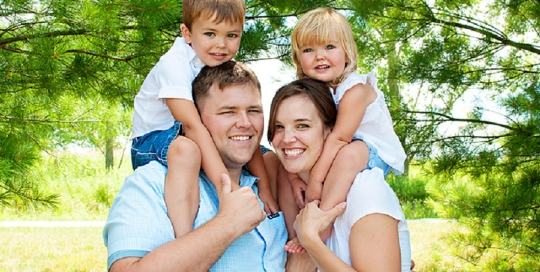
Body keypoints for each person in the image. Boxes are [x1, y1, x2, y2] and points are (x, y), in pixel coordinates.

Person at [104, 61, 287, 272]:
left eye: (254, 110)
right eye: (228, 112)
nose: (245, 123)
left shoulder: (271, 183)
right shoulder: (153, 183)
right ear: (196, 119)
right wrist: (227, 225)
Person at [129, 0, 279, 239]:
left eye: (231, 35)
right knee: (187, 151)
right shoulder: (174, 64)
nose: (221, 44)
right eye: (210, 33)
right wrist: (226, 190)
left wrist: (266, 189)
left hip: (188, 132)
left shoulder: (212, 62)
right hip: (150, 141)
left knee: (262, 151)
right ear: (187, 33)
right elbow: (192, 126)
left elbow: (246, 130)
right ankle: (185, 238)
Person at [282, 7, 407, 252]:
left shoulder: (355, 89)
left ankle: (322, 224)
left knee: (348, 154)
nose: (319, 56)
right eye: (309, 50)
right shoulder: (312, 91)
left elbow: (339, 138)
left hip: (372, 150)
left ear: (347, 52)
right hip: (341, 149)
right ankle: (293, 228)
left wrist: (316, 182)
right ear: (299, 59)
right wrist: (293, 176)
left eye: (329, 47)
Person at [268, 78, 411, 271]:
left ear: (330, 130)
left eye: (302, 126)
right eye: (279, 127)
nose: (287, 138)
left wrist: (311, 241)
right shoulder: (290, 194)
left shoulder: (365, 191)